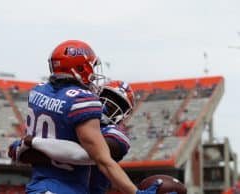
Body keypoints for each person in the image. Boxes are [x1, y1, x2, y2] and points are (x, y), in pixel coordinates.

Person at [9, 40, 160, 194]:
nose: (107, 105)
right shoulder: (82, 102)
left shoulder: (39, 91)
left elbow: (88, 155)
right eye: (105, 98)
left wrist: (34, 144)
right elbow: (98, 157)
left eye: (116, 105)